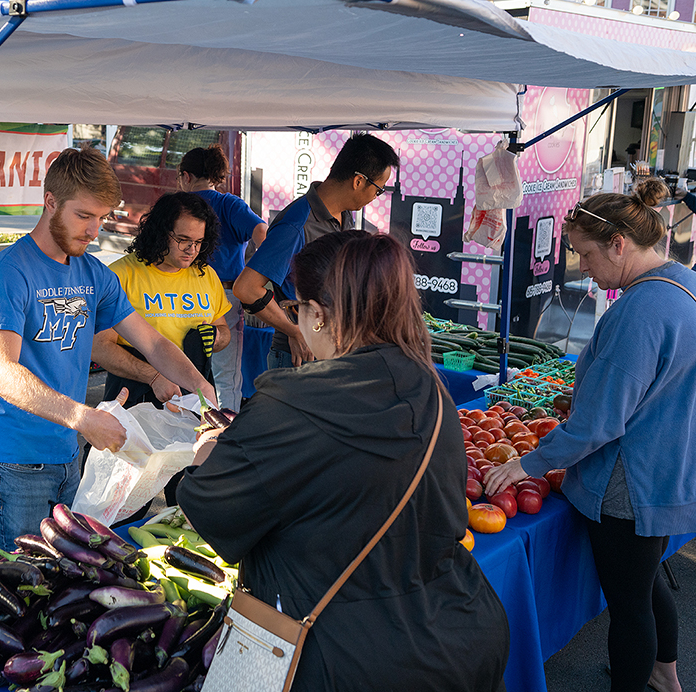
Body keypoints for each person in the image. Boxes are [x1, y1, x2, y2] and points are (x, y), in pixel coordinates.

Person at [178, 231, 509, 692]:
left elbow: (208, 505)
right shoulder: (430, 387)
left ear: (319, 315)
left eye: (297, 309)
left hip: (339, 657)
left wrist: (209, 448)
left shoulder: (287, 402)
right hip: (458, 633)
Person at [485, 179, 696, 692]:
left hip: (630, 481)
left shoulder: (640, 311)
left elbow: (603, 422)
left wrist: (526, 464)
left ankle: (641, 681)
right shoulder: (682, 287)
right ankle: (665, 677)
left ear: (618, 245)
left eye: (584, 254)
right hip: (667, 466)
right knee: (645, 583)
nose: (583, 269)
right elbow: (652, 386)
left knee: (629, 606)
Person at [0, 146, 217, 550]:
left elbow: (151, 341)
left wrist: (204, 391)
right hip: (14, 457)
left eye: (101, 218)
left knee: (61, 572)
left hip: (66, 452)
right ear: (50, 202)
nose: (93, 229)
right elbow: (1, 373)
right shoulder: (9, 273)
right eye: (84, 215)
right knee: (15, 576)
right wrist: (84, 418)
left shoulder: (92, 271)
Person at [233, 133, 399, 370]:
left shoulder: (344, 215)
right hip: (300, 358)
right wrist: (295, 330)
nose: (376, 197)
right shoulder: (296, 223)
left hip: (331, 350)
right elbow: (246, 288)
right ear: (358, 181)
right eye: (378, 189)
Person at [93, 192, 232, 409]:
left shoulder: (207, 275)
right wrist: (153, 376)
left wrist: (217, 337)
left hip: (194, 394)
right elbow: (99, 346)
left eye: (198, 242)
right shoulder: (121, 275)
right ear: (160, 233)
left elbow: (224, 332)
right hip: (136, 395)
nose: (192, 249)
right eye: (183, 240)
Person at [176, 145, 266, 410]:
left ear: (187, 176)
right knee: (226, 374)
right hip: (225, 297)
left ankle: (187, 426)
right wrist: (260, 272)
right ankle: (226, 431)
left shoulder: (179, 205)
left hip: (180, 293)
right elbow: (261, 229)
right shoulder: (230, 204)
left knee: (180, 366)